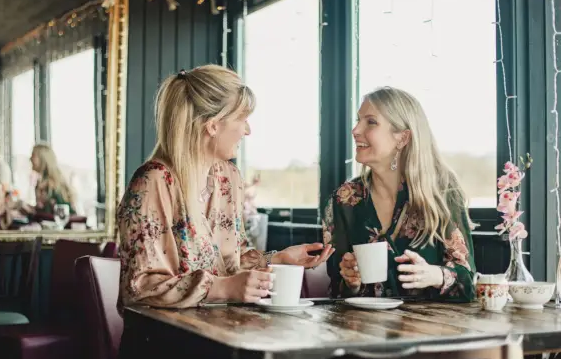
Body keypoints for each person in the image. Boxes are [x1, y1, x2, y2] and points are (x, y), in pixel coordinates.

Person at [116, 65, 334, 310]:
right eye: (242, 119)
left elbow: (231, 263)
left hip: (221, 330)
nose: (247, 130)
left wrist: (278, 258)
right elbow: (142, 287)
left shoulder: (228, 178)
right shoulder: (153, 182)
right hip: (166, 338)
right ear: (213, 125)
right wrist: (223, 288)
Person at [322, 86, 475, 302]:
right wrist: (350, 282)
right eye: (358, 121)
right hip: (365, 331)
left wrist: (435, 275)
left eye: (371, 122)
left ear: (402, 138)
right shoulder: (345, 200)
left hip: (429, 331)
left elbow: (468, 283)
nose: (355, 130)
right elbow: (335, 292)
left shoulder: (442, 192)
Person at [26, 144, 77, 215]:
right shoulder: (41, 182)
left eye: (33, 156)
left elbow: (62, 213)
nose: (30, 159)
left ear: (43, 159)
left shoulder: (53, 184)